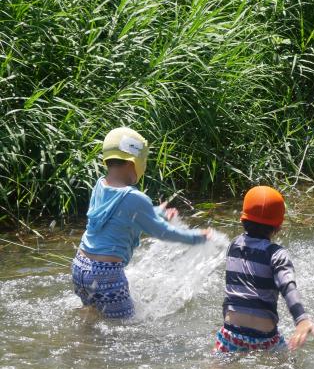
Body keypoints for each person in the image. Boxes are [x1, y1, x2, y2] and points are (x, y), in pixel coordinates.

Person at [71, 127, 211, 319]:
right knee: (124, 328)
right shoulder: (135, 197)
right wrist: (195, 238)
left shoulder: (100, 184)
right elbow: (163, 232)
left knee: (93, 315)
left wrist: (156, 212)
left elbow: (118, 215)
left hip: (80, 265)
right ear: (133, 163)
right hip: (106, 274)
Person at [213, 186, 314, 353]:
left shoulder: (233, 246)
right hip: (265, 339)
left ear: (242, 219)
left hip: (231, 333)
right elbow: (288, 286)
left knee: (216, 366)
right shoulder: (277, 254)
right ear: (278, 227)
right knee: (290, 364)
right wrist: (301, 319)